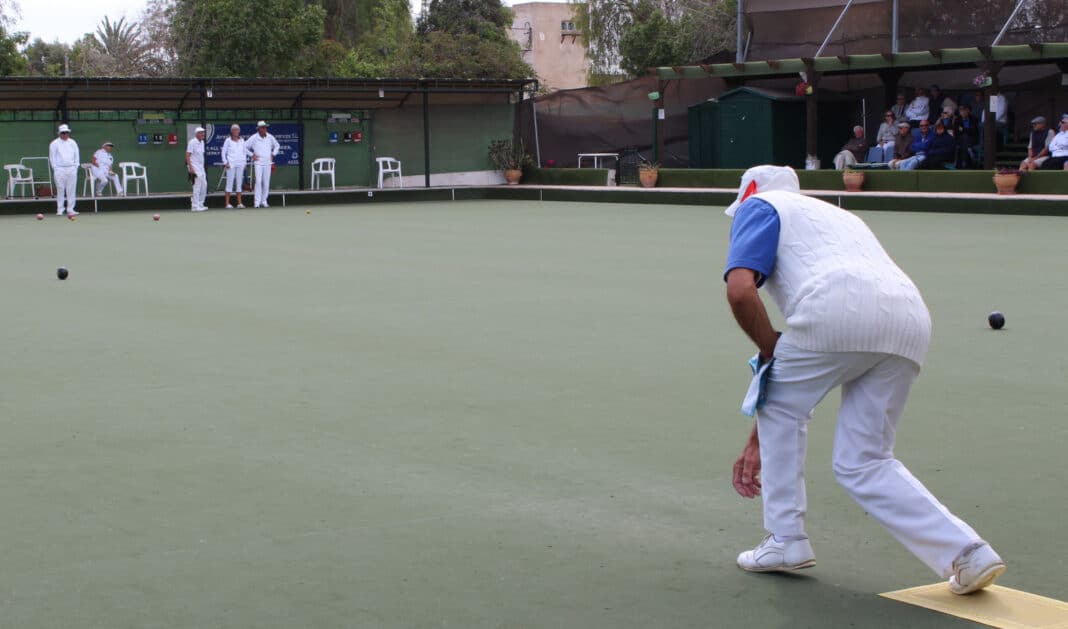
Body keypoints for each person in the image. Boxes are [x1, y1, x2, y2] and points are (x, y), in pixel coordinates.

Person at [723, 164, 1006, 595]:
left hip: (835, 309)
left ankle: (786, 539)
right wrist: (762, 424)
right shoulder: (838, 216)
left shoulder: (759, 205)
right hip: (909, 319)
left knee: (781, 405)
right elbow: (789, 385)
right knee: (865, 459)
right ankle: (967, 552)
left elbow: (741, 289)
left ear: (750, 193)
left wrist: (769, 346)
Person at [245, 120, 280, 208]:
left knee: (266, 182)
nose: (265, 129)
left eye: (265, 127)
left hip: (268, 162)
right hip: (258, 163)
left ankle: (264, 201)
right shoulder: (253, 138)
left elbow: (277, 145)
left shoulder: (270, 137)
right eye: (263, 127)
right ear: (259, 129)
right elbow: (244, 147)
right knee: (258, 181)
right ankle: (257, 202)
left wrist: (273, 154)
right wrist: (252, 155)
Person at [48, 123, 80, 216]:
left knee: (71, 189)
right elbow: (52, 157)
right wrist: (55, 167)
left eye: (66, 132)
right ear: (59, 133)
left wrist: (76, 166)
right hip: (59, 169)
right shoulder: (54, 143)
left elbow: (76, 155)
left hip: (71, 168)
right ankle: (60, 209)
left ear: (68, 133)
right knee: (60, 189)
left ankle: (70, 209)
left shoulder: (73, 142)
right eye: (63, 133)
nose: (65, 134)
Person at [221, 124, 247, 208]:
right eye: (234, 130)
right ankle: (227, 203)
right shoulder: (228, 141)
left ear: (239, 131)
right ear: (232, 131)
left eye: (237, 130)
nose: (236, 131)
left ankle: (239, 203)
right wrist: (225, 162)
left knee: (239, 183)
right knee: (229, 183)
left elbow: (244, 152)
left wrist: (245, 163)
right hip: (231, 164)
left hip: (240, 164)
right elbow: (223, 152)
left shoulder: (242, 140)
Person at [186, 127, 207, 212]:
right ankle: (194, 206)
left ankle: (200, 204)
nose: (203, 134)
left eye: (203, 133)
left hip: (201, 168)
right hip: (194, 168)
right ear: (197, 134)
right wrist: (191, 168)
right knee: (197, 187)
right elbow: (187, 155)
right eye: (201, 133)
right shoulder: (192, 142)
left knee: (204, 186)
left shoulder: (202, 142)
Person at [953, 103, 980, 168]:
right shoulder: (957, 120)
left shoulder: (973, 119)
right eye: (961, 110)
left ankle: (961, 163)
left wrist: (963, 129)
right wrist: (966, 130)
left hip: (972, 139)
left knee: (965, 138)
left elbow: (973, 131)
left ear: (967, 111)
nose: (962, 112)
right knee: (964, 139)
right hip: (960, 139)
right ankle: (967, 160)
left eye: (963, 110)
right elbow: (956, 131)